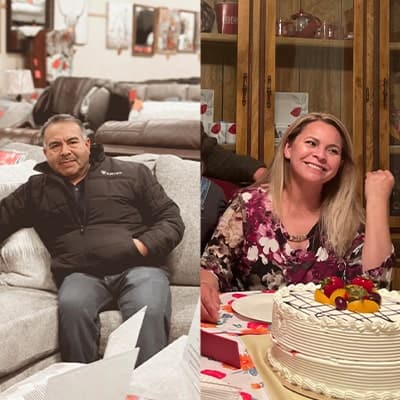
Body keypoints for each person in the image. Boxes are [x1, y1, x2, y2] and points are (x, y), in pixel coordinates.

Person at [0, 114, 185, 365]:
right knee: (72, 307)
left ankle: (144, 390)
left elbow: (170, 219)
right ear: (45, 152)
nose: (65, 151)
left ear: (87, 144)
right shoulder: (35, 190)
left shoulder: (132, 173)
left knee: (147, 311)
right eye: (55, 145)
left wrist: (140, 246)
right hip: (81, 275)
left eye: (72, 142)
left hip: (139, 268)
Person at [201, 112, 395, 323]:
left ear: (340, 164)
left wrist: (377, 200)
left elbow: (374, 289)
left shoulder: (348, 220)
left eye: (333, 150)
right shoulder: (248, 204)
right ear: (288, 148)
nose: (320, 155)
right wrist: (205, 287)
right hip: (248, 334)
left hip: (318, 342)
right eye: (311, 143)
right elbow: (212, 269)